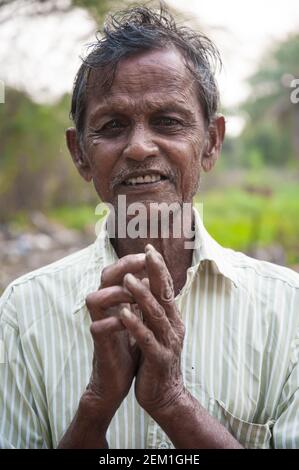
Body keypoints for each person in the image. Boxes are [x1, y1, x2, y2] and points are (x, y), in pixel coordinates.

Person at [1, 4, 299, 450]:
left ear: (211, 143)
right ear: (79, 153)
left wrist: (172, 401)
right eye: (113, 125)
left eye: (168, 122)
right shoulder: (22, 313)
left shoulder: (288, 310)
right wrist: (97, 405)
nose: (139, 148)